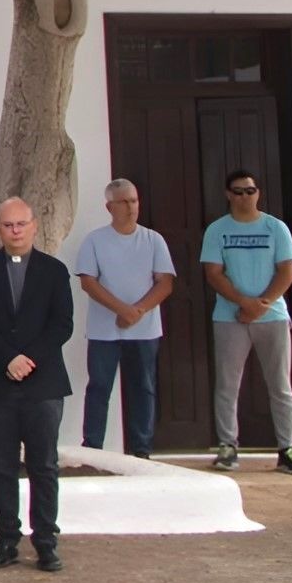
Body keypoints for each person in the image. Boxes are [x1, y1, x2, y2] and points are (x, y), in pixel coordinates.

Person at [0, 198, 74, 572]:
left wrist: (28, 359)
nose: (15, 231)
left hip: (43, 384)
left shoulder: (54, 271)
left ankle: (46, 541)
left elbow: (62, 325)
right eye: (8, 225)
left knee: (44, 465)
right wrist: (7, 359)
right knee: (1, 466)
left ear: (33, 226)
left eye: (21, 224)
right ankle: (6, 540)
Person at [200, 171, 292, 476]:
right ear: (228, 195)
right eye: (239, 191)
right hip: (229, 317)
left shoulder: (276, 228)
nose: (245, 197)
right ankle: (227, 446)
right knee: (227, 385)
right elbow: (213, 273)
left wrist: (260, 306)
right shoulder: (217, 230)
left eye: (250, 191)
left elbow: (287, 272)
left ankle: (288, 449)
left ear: (258, 193)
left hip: (272, 317)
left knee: (280, 385)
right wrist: (243, 303)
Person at [74, 179, 176, 459]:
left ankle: (141, 449)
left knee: (143, 388)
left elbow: (165, 283)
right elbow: (88, 282)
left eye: (134, 200)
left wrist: (137, 311)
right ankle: (92, 448)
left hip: (144, 331)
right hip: (104, 332)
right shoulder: (95, 240)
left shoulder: (153, 240)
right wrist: (121, 309)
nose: (131, 207)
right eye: (124, 202)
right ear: (110, 207)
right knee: (99, 388)